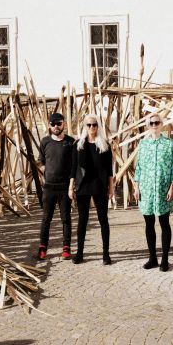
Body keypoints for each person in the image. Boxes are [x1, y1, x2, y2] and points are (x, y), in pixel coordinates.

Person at [133, 113, 173, 272]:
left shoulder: (169, 144)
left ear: (162, 124)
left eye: (157, 122)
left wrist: (172, 187)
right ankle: (152, 257)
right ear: (148, 125)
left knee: (164, 223)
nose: (154, 125)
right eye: (151, 123)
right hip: (146, 189)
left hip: (163, 189)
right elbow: (138, 167)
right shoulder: (143, 144)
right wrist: (136, 187)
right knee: (149, 223)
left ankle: (165, 259)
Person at [69, 114, 114, 265]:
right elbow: (73, 168)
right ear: (84, 127)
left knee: (103, 220)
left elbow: (109, 169)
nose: (92, 128)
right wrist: (71, 187)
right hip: (83, 186)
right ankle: (79, 253)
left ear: (98, 126)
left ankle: (106, 254)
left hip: (100, 186)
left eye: (94, 125)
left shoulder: (104, 145)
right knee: (82, 220)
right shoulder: (78, 144)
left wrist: (111, 188)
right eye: (89, 125)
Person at [37, 113, 75, 260]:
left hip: (65, 187)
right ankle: (42, 247)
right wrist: (46, 176)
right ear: (49, 125)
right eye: (53, 124)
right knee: (46, 218)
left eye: (58, 123)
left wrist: (72, 186)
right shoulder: (45, 142)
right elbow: (42, 162)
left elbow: (74, 166)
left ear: (63, 124)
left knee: (66, 218)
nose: (56, 126)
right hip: (49, 187)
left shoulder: (71, 142)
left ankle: (66, 248)